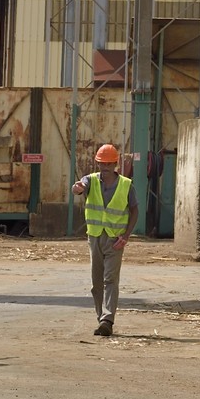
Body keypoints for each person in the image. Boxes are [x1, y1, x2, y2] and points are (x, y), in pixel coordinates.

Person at [71, 143, 138, 337]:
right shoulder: (90, 180)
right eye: (102, 163)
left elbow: (134, 210)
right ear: (97, 163)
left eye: (109, 163)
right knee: (97, 283)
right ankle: (101, 318)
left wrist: (126, 236)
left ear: (115, 163)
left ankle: (107, 320)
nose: (105, 167)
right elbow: (79, 187)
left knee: (110, 279)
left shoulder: (126, 185)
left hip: (115, 239)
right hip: (95, 237)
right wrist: (77, 188)